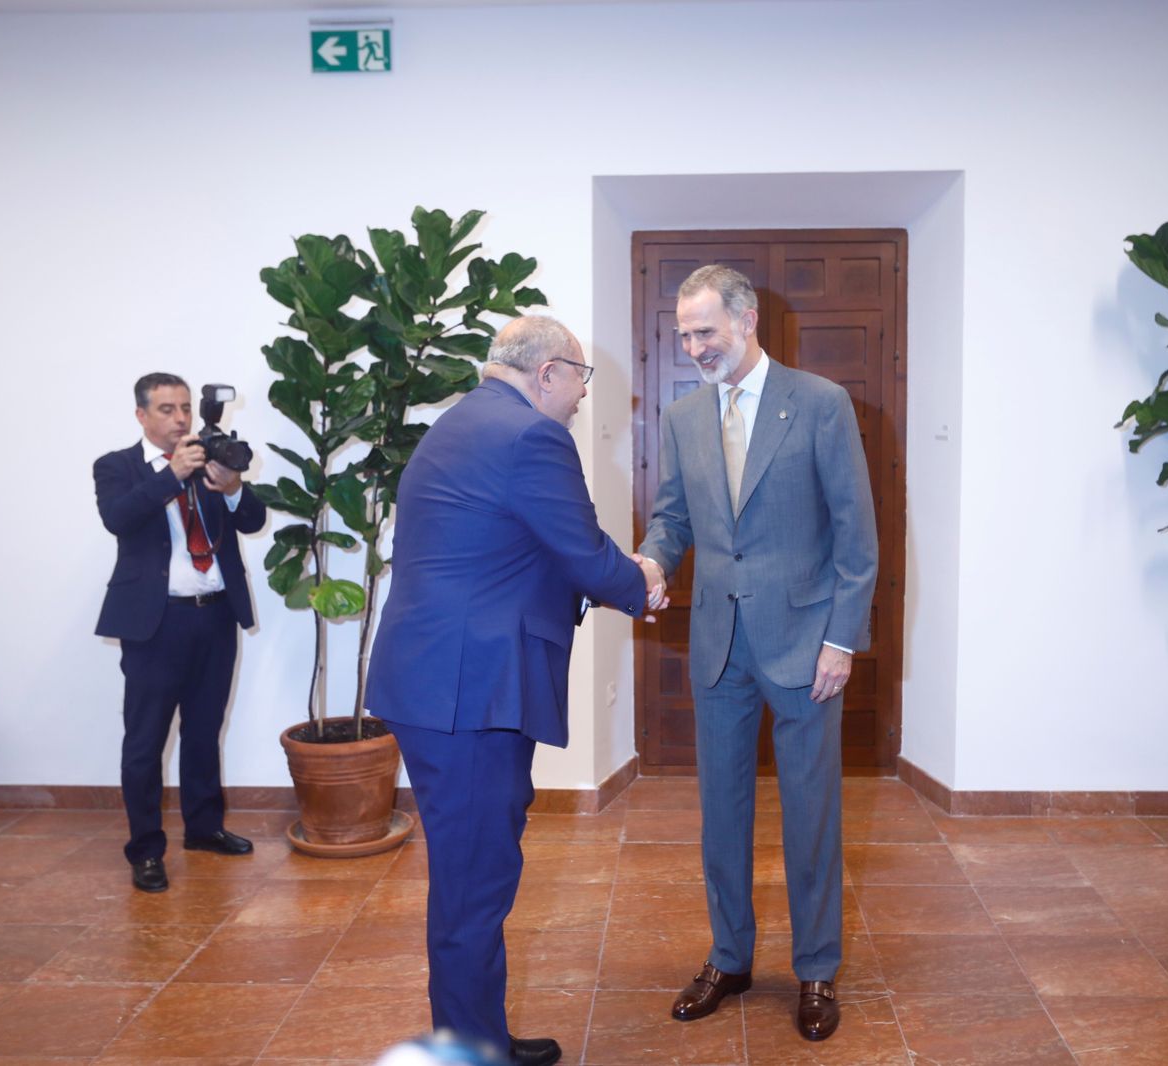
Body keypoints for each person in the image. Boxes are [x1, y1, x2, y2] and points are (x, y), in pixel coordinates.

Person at [368, 316, 648, 1066]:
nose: (582, 397)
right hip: (469, 691)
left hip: (444, 683)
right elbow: (582, 552)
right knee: (473, 886)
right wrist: (641, 583)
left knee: (473, 876)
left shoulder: (460, 422)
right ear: (548, 372)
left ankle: (479, 1036)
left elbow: (511, 548)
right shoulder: (531, 437)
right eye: (581, 379)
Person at [637, 265, 878, 1042]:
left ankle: (816, 969)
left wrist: (840, 639)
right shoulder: (683, 417)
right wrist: (652, 562)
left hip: (807, 645)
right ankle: (729, 957)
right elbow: (672, 518)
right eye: (684, 335)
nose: (694, 347)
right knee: (722, 812)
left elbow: (857, 537)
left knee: (810, 814)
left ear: (746, 320)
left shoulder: (820, 403)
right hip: (719, 644)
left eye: (705, 331)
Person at [94, 373, 266, 893]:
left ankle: (204, 828)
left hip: (214, 616)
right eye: (167, 409)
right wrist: (172, 474)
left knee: (204, 731)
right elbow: (118, 518)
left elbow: (253, 520)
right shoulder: (118, 466)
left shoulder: (207, 457)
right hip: (155, 623)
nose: (180, 418)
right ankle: (146, 850)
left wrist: (232, 488)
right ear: (141, 415)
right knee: (145, 741)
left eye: (186, 408)